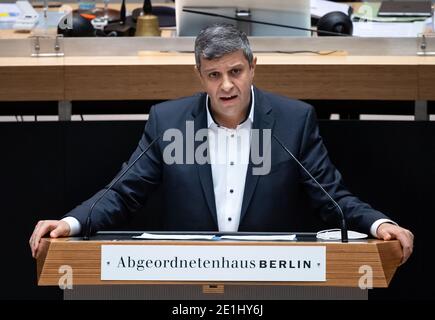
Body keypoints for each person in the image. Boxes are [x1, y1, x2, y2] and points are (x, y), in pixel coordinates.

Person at [30, 23, 413, 263]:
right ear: (200, 76)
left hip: (273, 272)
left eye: (235, 71)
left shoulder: (293, 120)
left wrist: (378, 224)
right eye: (214, 75)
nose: (226, 85)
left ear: (253, 67)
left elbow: (331, 197)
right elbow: (123, 192)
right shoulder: (170, 122)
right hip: (188, 273)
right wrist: (70, 222)